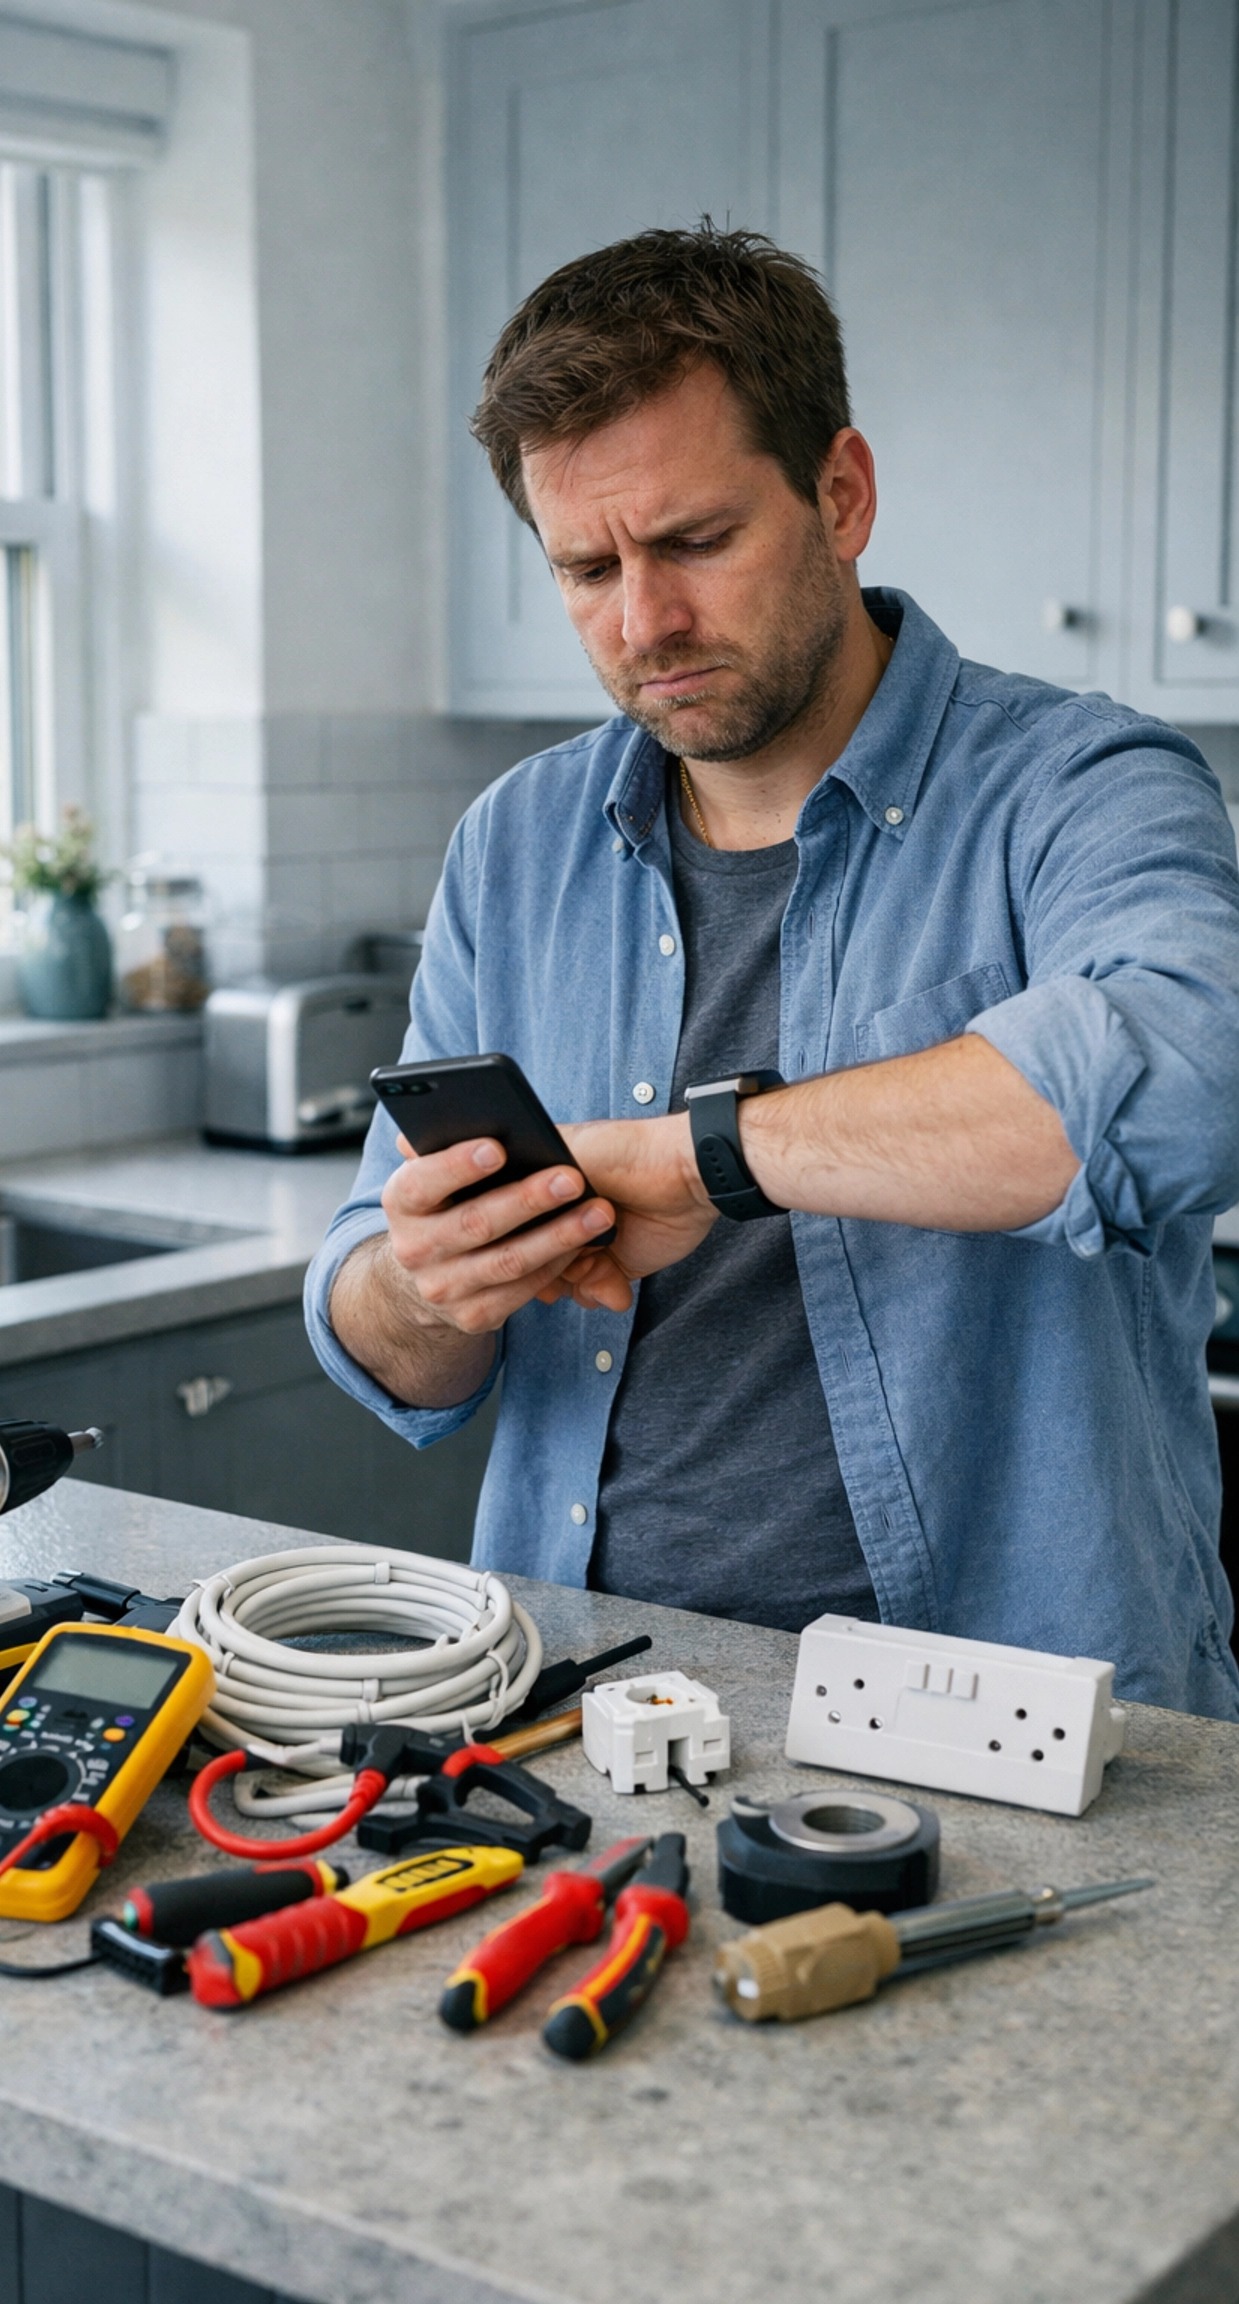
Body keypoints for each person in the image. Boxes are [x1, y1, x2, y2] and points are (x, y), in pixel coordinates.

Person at [303, 224, 1239, 1718]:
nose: (643, 623)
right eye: (586, 567)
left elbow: (1192, 1082)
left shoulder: (1081, 784)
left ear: (841, 494)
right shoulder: (514, 844)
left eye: (694, 542)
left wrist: (699, 1157)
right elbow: (379, 1323)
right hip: (584, 1702)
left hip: (1013, 1720)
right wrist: (431, 1285)